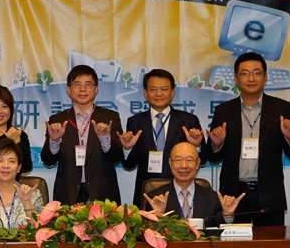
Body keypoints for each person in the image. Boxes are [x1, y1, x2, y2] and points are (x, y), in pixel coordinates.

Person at [206, 53, 290, 226]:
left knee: (270, 242)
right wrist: (216, 144)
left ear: (265, 77)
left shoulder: (281, 108)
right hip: (233, 195)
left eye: (257, 73)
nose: (251, 78)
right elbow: (212, 157)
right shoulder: (223, 111)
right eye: (245, 73)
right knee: (233, 241)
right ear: (236, 78)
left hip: (269, 194)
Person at [119, 69, 209, 207]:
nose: (159, 93)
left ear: (172, 93)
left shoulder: (188, 121)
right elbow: (129, 164)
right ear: (145, 93)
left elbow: (202, 160)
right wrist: (127, 148)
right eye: (153, 89)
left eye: (164, 89)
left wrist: (196, 146)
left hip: (180, 191)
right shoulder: (135, 122)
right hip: (147, 192)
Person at [41, 65, 123, 205]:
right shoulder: (58, 120)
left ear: (96, 89)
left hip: (102, 193)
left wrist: (105, 139)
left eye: (88, 84)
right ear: (68, 90)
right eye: (77, 84)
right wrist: (55, 141)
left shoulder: (110, 118)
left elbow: (117, 157)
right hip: (68, 194)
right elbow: (48, 160)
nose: (83, 89)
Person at [144, 142, 243, 228]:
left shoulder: (212, 198)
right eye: (178, 160)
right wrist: (158, 216)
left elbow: (221, 234)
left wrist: (228, 215)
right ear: (170, 163)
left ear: (198, 163)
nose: (184, 165)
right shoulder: (154, 198)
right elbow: (147, 234)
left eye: (189, 160)